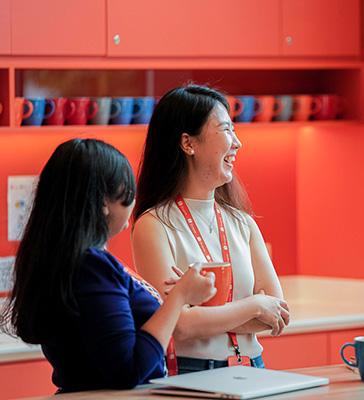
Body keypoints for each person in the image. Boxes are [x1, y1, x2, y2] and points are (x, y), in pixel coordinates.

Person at [0, 139, 217, 393]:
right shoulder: (92, 266)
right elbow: (127, 371)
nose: (133, 202)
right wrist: (179, 298)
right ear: (103, 202)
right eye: (127, 194)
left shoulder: (63, 259)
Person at [131, 84, 290, 373]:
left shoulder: (243, 223)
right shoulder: (153, 226)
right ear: (188, 143)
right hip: (194, 372)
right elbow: (179, 326)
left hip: (253, 367)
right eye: (227, 130)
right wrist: (255, 304)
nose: (237, 143)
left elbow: (276, 312)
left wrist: (202, 319)